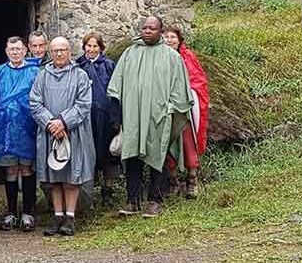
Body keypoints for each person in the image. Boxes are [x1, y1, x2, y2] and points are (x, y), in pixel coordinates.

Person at [107, 16, 193, 218]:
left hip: (159, 117)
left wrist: (171, 108)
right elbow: (116, 86)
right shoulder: (130, 54)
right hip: (134, 116)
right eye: (144, 27)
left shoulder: (171, 57)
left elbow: (181, 89)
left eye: (152, 28)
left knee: (158, 158)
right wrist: (117, 115)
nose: (147, 31)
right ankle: (132, 201)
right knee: (132, 158)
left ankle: (155, 200)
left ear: (160, 31)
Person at [29, 37, 95, 236]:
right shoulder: (42, 75)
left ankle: (70, 217)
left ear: (70, 52)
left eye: (63, 50)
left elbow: (83, 104)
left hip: (73, 133)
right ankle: (57, 215)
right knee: (54, 178)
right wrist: (50, 123)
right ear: (50, 52)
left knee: (71, 177)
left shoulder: (80, 76)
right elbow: (34, 102)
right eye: (55, 50)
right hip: (50, 133)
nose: (59, 54)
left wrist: (63, 122)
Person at [0, 36, 39, 232]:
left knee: (26, 169)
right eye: (11, 49)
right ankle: (11, 212)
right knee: (10, 170)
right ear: (6, 52)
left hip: (27, 129)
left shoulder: (35, 72)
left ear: (25, 51)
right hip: (4, 130)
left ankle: (28, 212)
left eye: (19, 49)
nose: (15, 52)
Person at [163, 25, 210, 199]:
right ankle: (173, 181)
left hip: (186, 109)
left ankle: (192, 180)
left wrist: (187, 96)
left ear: (179, 39)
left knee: (188, 142)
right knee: (168, 143)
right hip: (167, 109)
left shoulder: (187, 57)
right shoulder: (160, 58)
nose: (169, 40)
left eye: (172, 37)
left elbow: (198, 81)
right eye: (166, 37)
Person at [75, 31, 121, 206]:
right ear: (84, 47)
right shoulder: (78, 66)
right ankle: (88, 194)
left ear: (101, 48)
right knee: (89, 153)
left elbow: (116, 91)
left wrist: (116, 117)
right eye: (89, 46)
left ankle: (107, 191)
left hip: (106, 117)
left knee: (108, 155)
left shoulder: (109, 65)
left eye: (95, 46)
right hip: (86, 118)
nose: (91, 49)